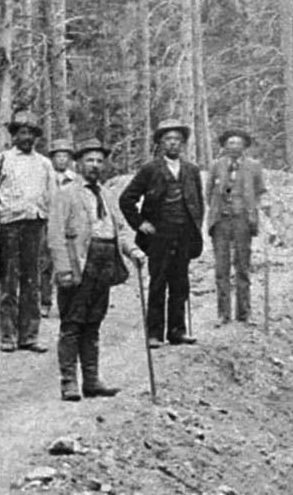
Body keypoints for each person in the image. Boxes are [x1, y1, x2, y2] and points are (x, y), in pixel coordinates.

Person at [47, 138, 145, 401]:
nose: (95, 165)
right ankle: (69, 381)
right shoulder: (66, 193)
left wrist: (133, 251)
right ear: (78, 163)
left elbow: (119, 230)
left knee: (94, 322)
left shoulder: (106, 194)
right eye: (89, 160)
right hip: (79, 262)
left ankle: (91, 380)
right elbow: (55, 234)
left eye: (99, 161)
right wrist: (64, 270)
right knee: (72, 323)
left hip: (105, 261)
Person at [119, 118, 204, 348]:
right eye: (168, 139)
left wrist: (194, 227)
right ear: (160, 143)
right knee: (158, 283)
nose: (173, 144)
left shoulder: (191, 170)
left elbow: (198, 203)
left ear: (183, 143)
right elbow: (127, 199)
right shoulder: (150, 169)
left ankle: (178, 331)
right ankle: (154, 334)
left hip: (183, 234)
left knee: (181, 283)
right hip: (159, 236)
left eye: (177, 139)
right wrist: (140, 223)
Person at [0, 109, 54, 353]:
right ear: (14, 135)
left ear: (36, 137)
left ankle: (29, 336)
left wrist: (52, 224)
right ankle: (8, 336)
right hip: (9, 226)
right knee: (9, 281)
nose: (27, 137)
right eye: (22, 132)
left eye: (31, 133)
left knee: (32, 282)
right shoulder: (3, 160)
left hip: (36, 225)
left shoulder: (44, 164)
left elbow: (53, 196)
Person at [206, 128, 267, 325]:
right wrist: (218, 210)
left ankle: (244, 313)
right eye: (230, 143)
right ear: (225, 146)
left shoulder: (254, 166)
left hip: (242, 221)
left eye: (238, 143)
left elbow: (260, 191)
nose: (234, 147)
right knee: (221, 269)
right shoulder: (216, 166)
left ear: (244, 147)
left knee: (242, 266)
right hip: (221, 221)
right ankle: (223, 314)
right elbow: (209, 193)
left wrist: (254, 211)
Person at [40, 138, 79, 317]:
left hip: (68, 226)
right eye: (58, 156)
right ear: (52, 158)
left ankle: (68, 304)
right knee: (45, 264)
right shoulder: (45, 177)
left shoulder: (75, 180)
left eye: (65, 156)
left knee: (69, 262)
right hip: (46, 224)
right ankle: (45, 302)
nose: (62, 159)